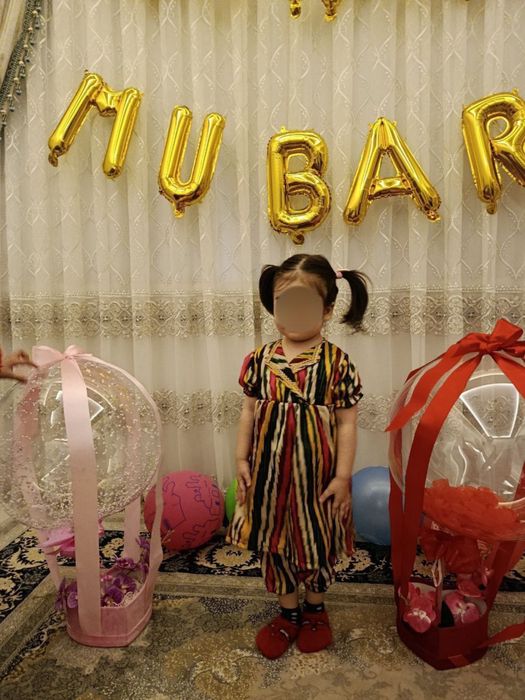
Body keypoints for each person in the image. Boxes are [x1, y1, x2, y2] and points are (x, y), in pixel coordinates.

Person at [226, 253, 368, 659]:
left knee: (315, 542)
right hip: (269, 478)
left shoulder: (337, 364)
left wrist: (342, 477)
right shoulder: (259, 360)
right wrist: (241, 458)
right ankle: (288, 612)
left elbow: (347, 424)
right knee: (274, 545)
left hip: (316, 480)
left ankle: (315, 609)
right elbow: (248, 412)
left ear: (326, 310)